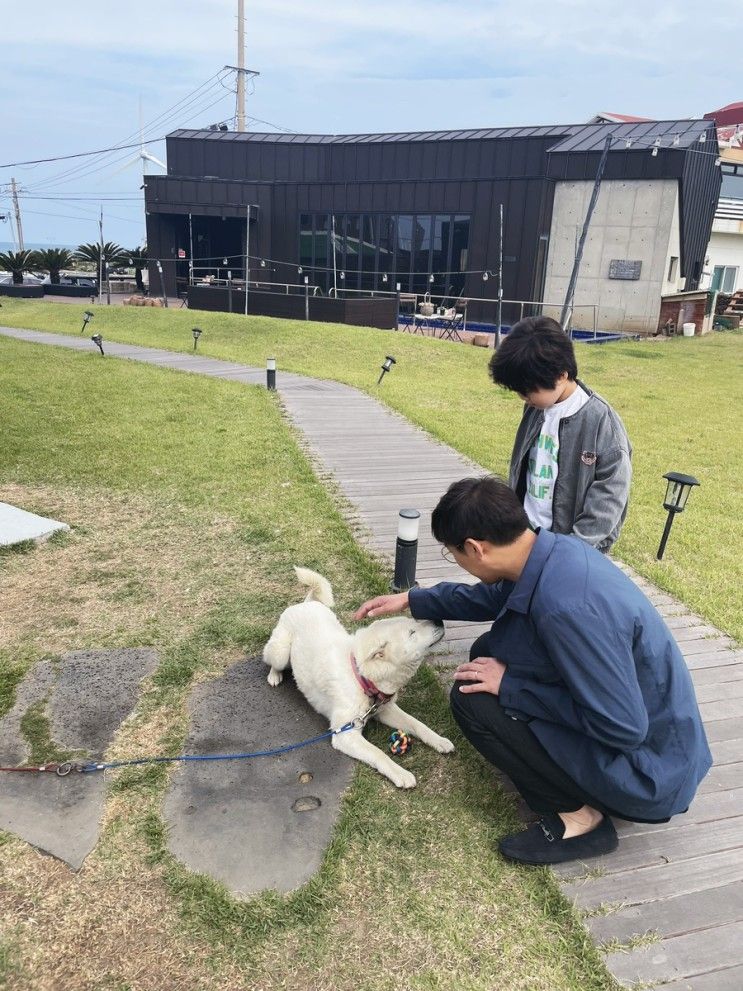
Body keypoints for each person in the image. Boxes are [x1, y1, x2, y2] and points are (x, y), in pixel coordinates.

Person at [354, 476, 711, 866]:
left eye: (452, 553)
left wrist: (512, 686)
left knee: (473, 700)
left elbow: (623, 727)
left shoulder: (567, 610)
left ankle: (579, 817)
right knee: (487, 652)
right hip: (661, 739)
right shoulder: (550, 551)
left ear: (475, 548)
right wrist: (414, 598)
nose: (455, 560)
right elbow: (490, 597)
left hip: (650, 772)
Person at [489, 315, 631, 552]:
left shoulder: (600, 422)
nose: (524, 398)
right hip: (529, 536)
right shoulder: (536, 409)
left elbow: (610, 495)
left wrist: (573, 548)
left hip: (573, 550)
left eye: (528, 391)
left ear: (561, 375)